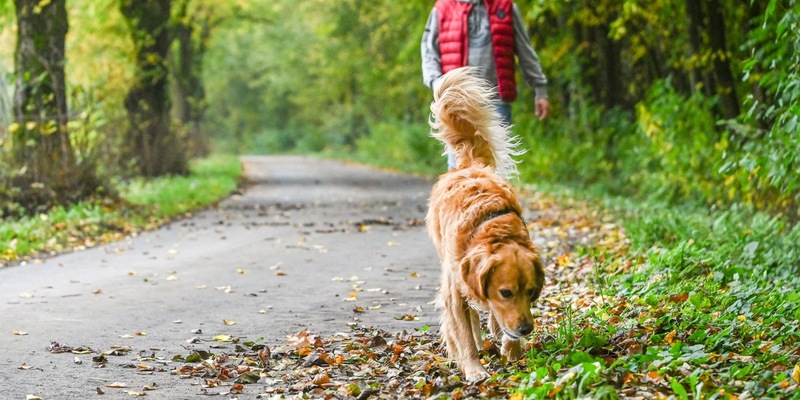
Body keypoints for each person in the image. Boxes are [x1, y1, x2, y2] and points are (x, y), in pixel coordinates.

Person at [421, 0, 549, 169]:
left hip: (496, 102)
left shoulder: (505, 7)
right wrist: (438, 84)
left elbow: (525, 50)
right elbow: (429, 52)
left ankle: (493, 196)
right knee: (459, 165)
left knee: (496, 166)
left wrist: (540, 89)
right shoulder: (442, 8)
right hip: (456, 103)